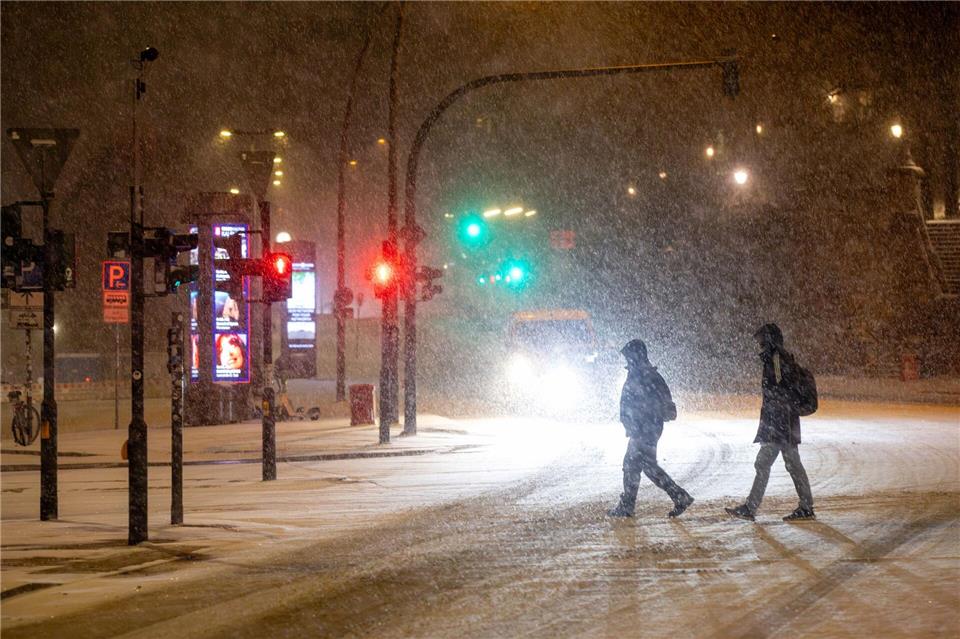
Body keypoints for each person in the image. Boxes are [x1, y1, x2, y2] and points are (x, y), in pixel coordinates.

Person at [726, 323, 815, 522]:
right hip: (782, 422)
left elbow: (781, 389)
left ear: (769, 340)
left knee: (772, 463)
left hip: (781, 423)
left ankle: (753, 507)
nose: (759, 344)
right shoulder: (776, 358)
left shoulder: (777, 359)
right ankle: (804, 506)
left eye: (761, 340)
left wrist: (776, 419)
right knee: (787, 464)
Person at [608, 339, 694, 518]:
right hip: (644, 428)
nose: (626, 360)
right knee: (643, 467)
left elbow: (658, 404)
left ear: (635, 356)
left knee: (634, 465)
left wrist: (640, 421)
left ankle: (630, 505)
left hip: (644, 429)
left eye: (628, 356)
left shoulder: (645, 375)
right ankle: (678, 496)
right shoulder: (641, 373)